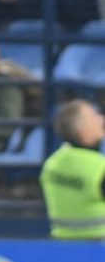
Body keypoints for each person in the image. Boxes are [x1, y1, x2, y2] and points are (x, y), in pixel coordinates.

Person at [39, 99, 105, 239]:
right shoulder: (99, 168)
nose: (101, 119)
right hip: (98, 248)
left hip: (62, 245)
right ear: (83, 131)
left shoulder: (52, 163)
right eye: (94, 116)